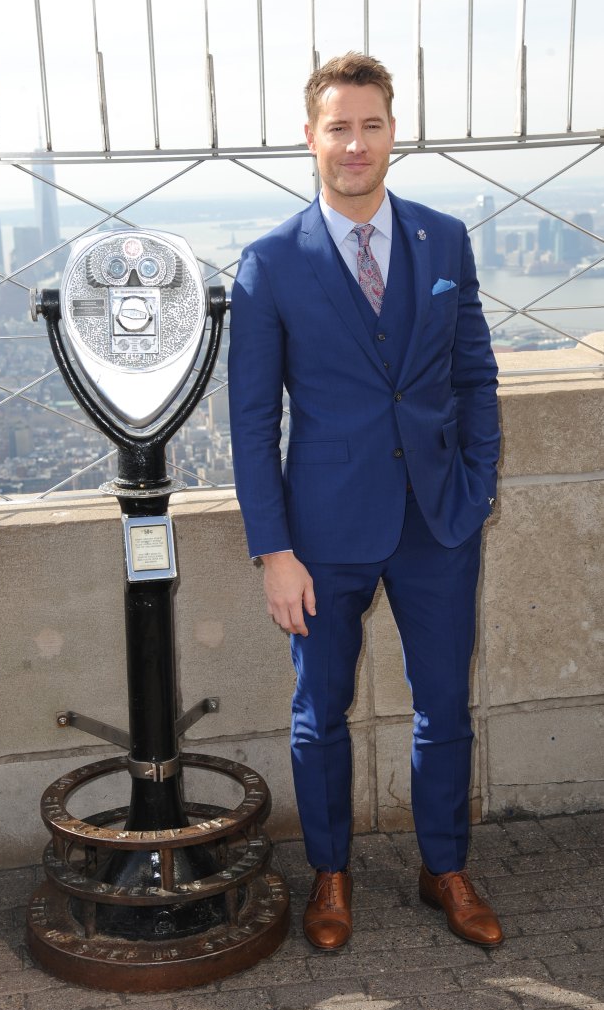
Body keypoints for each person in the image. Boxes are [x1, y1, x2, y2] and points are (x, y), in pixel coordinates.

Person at [228, 52, 502, 951]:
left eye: (370, 125)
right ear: (310, 137)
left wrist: (477, 486)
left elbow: (473, 374)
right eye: (337, 127)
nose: (354, 144)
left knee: (444, 709)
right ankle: (331, 875)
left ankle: (444, 868)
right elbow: (249, 420)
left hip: (436, 523)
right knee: (319, 716)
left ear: (393, 132)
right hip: (322, 536)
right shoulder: (269, 262)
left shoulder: (442, 239)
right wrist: (274, 551)